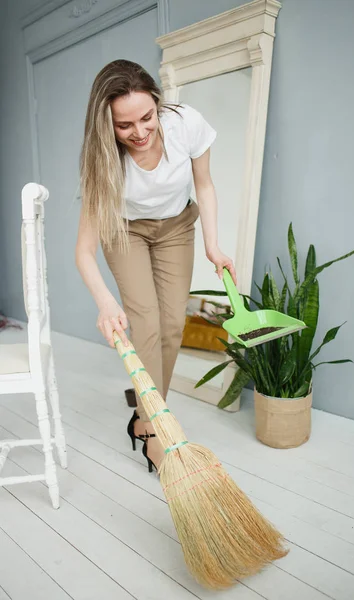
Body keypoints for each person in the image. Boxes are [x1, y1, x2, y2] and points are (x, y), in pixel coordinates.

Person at [75, 59, 236, 471]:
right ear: (106, 124)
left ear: (158, 105)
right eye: (124, 125)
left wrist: (214, 246)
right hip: (125, 231)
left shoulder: (186, 126)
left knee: (171, 328)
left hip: (177, 226)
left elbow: (204, 184)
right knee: (145, 327)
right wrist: (106, 303)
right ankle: (152, 429)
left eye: (147, 118)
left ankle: (144, 416)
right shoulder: (101, 160)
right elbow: (84, 249)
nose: (140, 132)